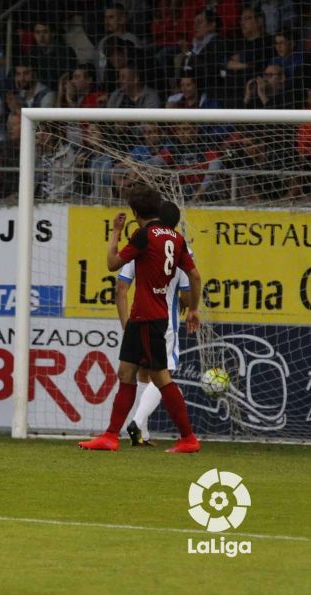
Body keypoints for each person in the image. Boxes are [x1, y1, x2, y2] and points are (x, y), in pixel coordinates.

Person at [78, 185, 201, 453]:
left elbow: (112, 264)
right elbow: (195, 277)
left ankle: (188, 438)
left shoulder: (143, 236)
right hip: (148, 317)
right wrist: (193, 308)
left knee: (161, 378)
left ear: (135, 212)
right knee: (126, 372)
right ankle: (111, 436)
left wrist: (115, 234)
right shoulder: (176, 239)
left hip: (147, 316)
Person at [117, 200, 192, 447]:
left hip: (139, 316)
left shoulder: (141, 240)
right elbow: (187, 289)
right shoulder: (180, 246)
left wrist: (126, 322)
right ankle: (138, 423)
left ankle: (141, 431)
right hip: (164, 319)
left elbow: (122, 285)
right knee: (163, 373)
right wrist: (192, 307)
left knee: (141, 373)